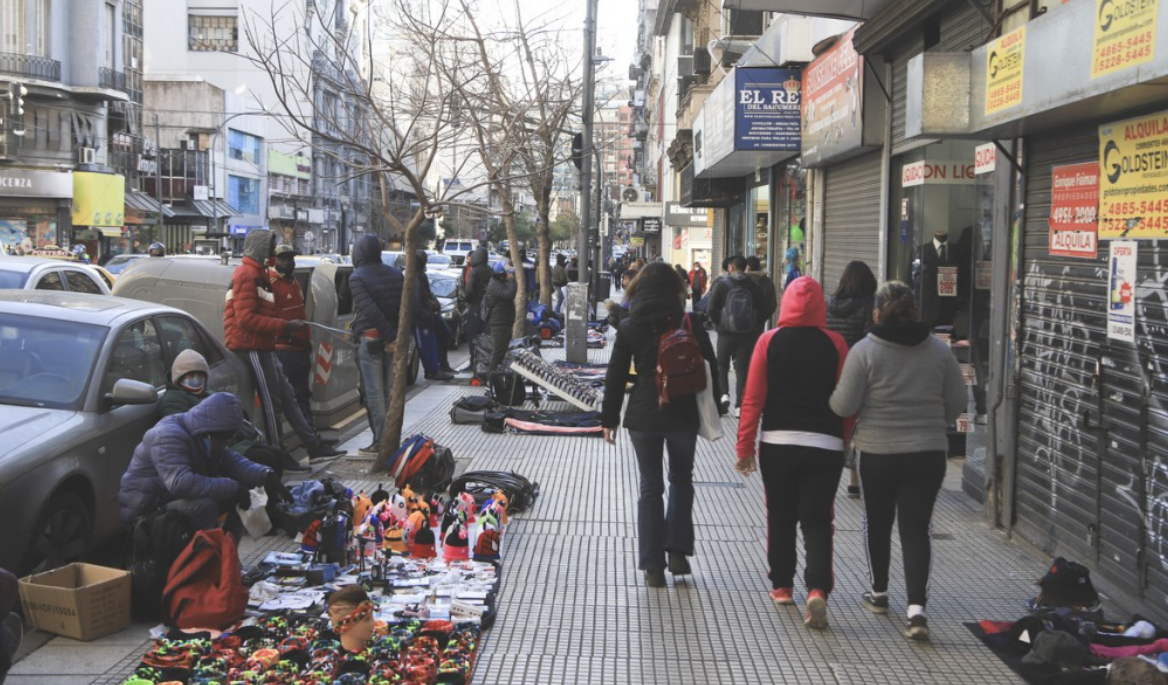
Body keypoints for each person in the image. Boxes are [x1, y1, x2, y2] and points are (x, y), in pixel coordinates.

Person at [829, 281, 965, 642]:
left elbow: (844, 405)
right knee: (916, 529)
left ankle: (879, 593)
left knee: (877, 521)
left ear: (877, 314)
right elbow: (958, 402)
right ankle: (917, 610)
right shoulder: (939, 351)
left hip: (878, 451)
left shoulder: (864, 351)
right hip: (928, 453)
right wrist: (932, 420)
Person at [736, 276, 850, 629]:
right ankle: (817, 588)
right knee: (818, 519)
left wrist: (745, 446)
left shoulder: (769, 341)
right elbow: (847, 402)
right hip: (825, 444)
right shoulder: (836, 343)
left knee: (780, 515)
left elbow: (752, 398)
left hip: (778, 443)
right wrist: (843, 440)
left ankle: (782, 585)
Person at [601, 262, 722, 588]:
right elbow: (712, 367)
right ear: (675, 290)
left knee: (650, 487)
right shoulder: (689, 322)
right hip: (682, 413)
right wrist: (715, 408)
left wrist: (608, 420)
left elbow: (615, 376)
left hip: (644, 415)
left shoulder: (629, 326)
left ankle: (653, 567)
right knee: (681, 479)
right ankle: (678, 552)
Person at [223, 229, 342, 462]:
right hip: (251, 346)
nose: (273, 252)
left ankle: (312, 446)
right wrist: (284, 327)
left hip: (264, 344)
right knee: (271, 402)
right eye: (270, 247)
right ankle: (279, 455)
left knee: (288, 397)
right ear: (260, 248)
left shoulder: (261, 274)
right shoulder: (248, 274)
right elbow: (245, 319)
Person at [118, 392, 293, 538]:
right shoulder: (167, 436)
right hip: (147, 509)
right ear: (212, 430)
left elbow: (231, 460)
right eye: (225, 437)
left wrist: (265, 475)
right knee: (205, 505)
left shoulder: (202, 432)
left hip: (169, 499)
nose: (226, 442)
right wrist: (233, 487)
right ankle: (204, 559)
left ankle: (227, 558)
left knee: (242, 498)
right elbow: (180, 483)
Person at [159, 348, 310, 474]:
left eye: (199, 375)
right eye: (191, 376)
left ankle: (272, 498)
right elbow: (188, 431)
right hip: (213, 449)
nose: (196, 380)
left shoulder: (208, 393)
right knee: (265, 458)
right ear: (179, 377)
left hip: (232, 442)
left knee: (275, 454)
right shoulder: (173, 400)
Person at [825, 260, 878, 498]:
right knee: (857, 426)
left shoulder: (828, 304)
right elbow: (870, 341)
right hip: (857, 372)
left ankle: (829, 473)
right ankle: (854, 481)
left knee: (833, 425)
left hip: (830, 372)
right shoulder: (869, 306)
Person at [349, 235, 404, 456]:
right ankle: (390, 438)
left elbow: (369, 309)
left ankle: (381, 441)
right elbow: (402, 308)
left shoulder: (357, 277)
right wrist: (394, 337)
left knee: (374, 392)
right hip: (392, 341)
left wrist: (390, 336)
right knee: (389, 390)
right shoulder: (396, 274)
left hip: (371, 337)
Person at [705, 255, 768, 417]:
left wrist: (719, 324)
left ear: (731, 267)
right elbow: (764, 308)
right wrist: (754, 325)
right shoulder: (754, 286)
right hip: (747, 334)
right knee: (742, 368)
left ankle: (723, 395)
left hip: (725, 333)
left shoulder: (722, 284)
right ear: (745, 267)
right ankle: (740, 405)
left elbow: (711, 308)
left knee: (722, 365)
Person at [270, 245, 314, 426]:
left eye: (291, 259)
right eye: (283, 259)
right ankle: (308, 434)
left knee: (304, 392)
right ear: (274, 260)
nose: (288, 262)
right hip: (285, 349)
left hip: (300, 347)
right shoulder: (271, 283)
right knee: (296, 393)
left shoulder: (293, 282)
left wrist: (306, 340)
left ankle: (310, 432)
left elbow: (301, 313)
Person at [411, 249, 455, 381]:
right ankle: (432, 370)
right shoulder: (415, 278)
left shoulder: (421, 276)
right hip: (422, 317)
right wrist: (428, 311)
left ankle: (440, 365)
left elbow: (427, 294)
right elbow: (417, 303)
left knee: (442, 335)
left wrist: (434, 302)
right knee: (426, 343)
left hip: (428, 314)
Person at [463, 247, 493, 374]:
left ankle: (473, 363)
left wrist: (466, 299)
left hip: (474, 308)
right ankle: (483, 362)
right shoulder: (490, 270)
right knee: (484, 337)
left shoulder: (474, 272)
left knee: (472, 337)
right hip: (487, 309)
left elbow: (469, 291)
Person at [484, 261, 518, 371]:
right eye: (508, 273)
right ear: (501, 274)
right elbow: (509, 294)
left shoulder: (499, 283)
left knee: (502, 350)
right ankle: (491, 375)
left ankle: (496, 373)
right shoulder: (495, 284)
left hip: (504, 321)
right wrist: (511, 280)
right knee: (498, 351)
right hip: (499, 323)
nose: (510, 275)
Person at [745, 256, 778, 325]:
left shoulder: (744, 280)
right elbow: (773, 304)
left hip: (742, 321)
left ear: (748, 267)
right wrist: (763, 317)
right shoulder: (768, 281)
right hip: (760, 321)